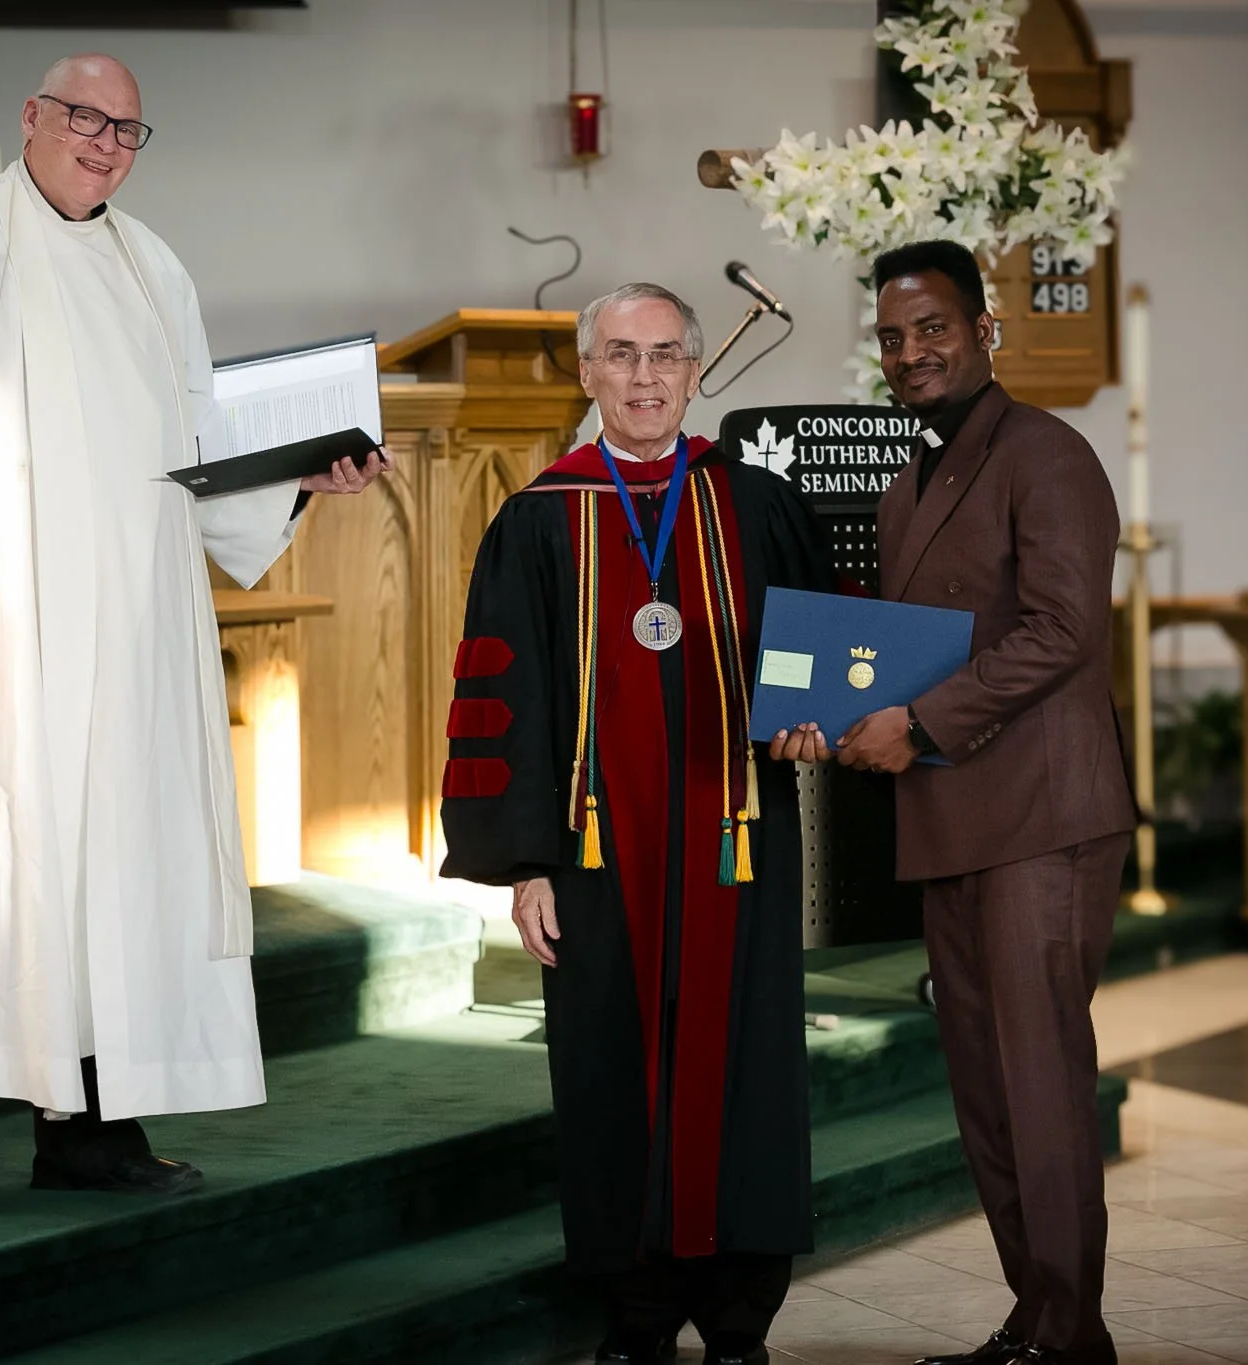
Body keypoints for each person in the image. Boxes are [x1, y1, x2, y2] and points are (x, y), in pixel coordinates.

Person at [0, 53, 387, 1219]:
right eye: (84, 118)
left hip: (134, 623)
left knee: (114, 873)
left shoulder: (152, 266)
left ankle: (89, 1138)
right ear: (33, 118)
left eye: (127, 130)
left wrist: (299, 480)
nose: (103, 143)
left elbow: (197, 442)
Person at [439, 283, 837, 1365]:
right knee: (611, 1073)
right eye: (620, 356)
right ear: (587, 374)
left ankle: (741, 1321)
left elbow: (819, 661)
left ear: (696, 369)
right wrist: (525, 863)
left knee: (746, 1074)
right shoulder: (538, 518)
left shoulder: (752, 504)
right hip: (593, 856)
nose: (646, 376)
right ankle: (636, 1319)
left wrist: (813, 721)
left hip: (736, 846)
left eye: (665, 354)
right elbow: (501, 699)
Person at [797, 240, 1136, 1364]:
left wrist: (920, 723)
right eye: (891, 337)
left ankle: (1069, 1334)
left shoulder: (1045, 454)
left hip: (1039, 819)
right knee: (987, 1095)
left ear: (984, 329)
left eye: (931, 327)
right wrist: (831, 710)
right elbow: (903, 655)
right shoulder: (908, 481)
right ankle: (1037, 1319)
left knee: (1039, 1089)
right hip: (951, 821)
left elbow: (1063, 630)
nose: (909, 353)